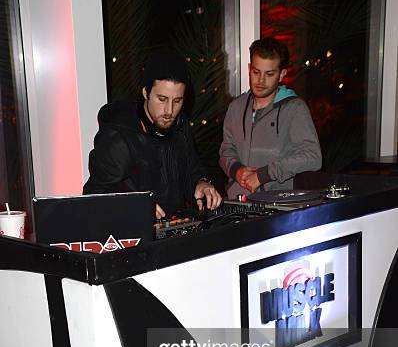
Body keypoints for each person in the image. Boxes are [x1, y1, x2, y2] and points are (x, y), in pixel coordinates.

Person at [83, 52, 221, 218]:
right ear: (145, 93)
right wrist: (134, 206)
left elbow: (193, 167)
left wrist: (202, 182)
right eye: (162, 99)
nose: (169, 111)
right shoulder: (119, 137)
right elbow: (94, 198)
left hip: (176, 233)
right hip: (136, 238)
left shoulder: (180, 126)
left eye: (177, 101)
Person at [219, 37, 322, 198]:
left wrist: (264, 175)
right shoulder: (236, 107)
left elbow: (312, 157)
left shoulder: (294, 109)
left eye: (269, 74)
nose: (260, 81)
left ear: (281, 75)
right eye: (256, 72)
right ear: (249, 68)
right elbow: (226, 150)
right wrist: (236, 170)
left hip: (277, 206)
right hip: (238, 204)